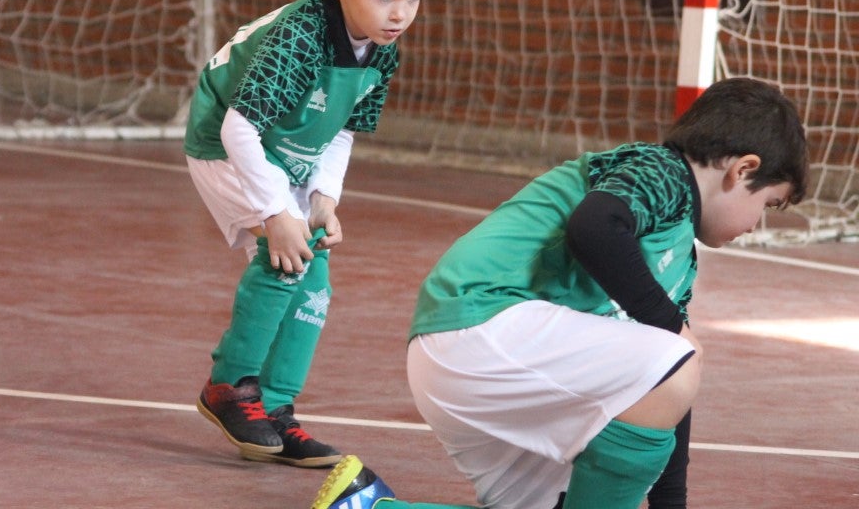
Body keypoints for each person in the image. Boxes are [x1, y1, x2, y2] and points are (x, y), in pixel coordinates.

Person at [312, 77, 808, 507]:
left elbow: (671, 392)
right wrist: (673, 328)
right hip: (478, 323)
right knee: (677, 356)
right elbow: (594, 227)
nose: (756, 224)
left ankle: (365, 504)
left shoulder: (678, 257)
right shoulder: (663, 171)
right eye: (769, 203)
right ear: (741, 170)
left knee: (671, 367)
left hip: (480, 359)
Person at [185, 0, 435, 468]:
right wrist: (276, 213)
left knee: (314, 273)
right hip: (224, 141)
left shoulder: (383, 49)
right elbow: (238, 128)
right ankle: (228, 387)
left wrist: (323, 199)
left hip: (286, 151)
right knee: (284, 255)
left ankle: (274, 409)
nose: (400, 14)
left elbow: (341, 130)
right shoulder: (302, 35)